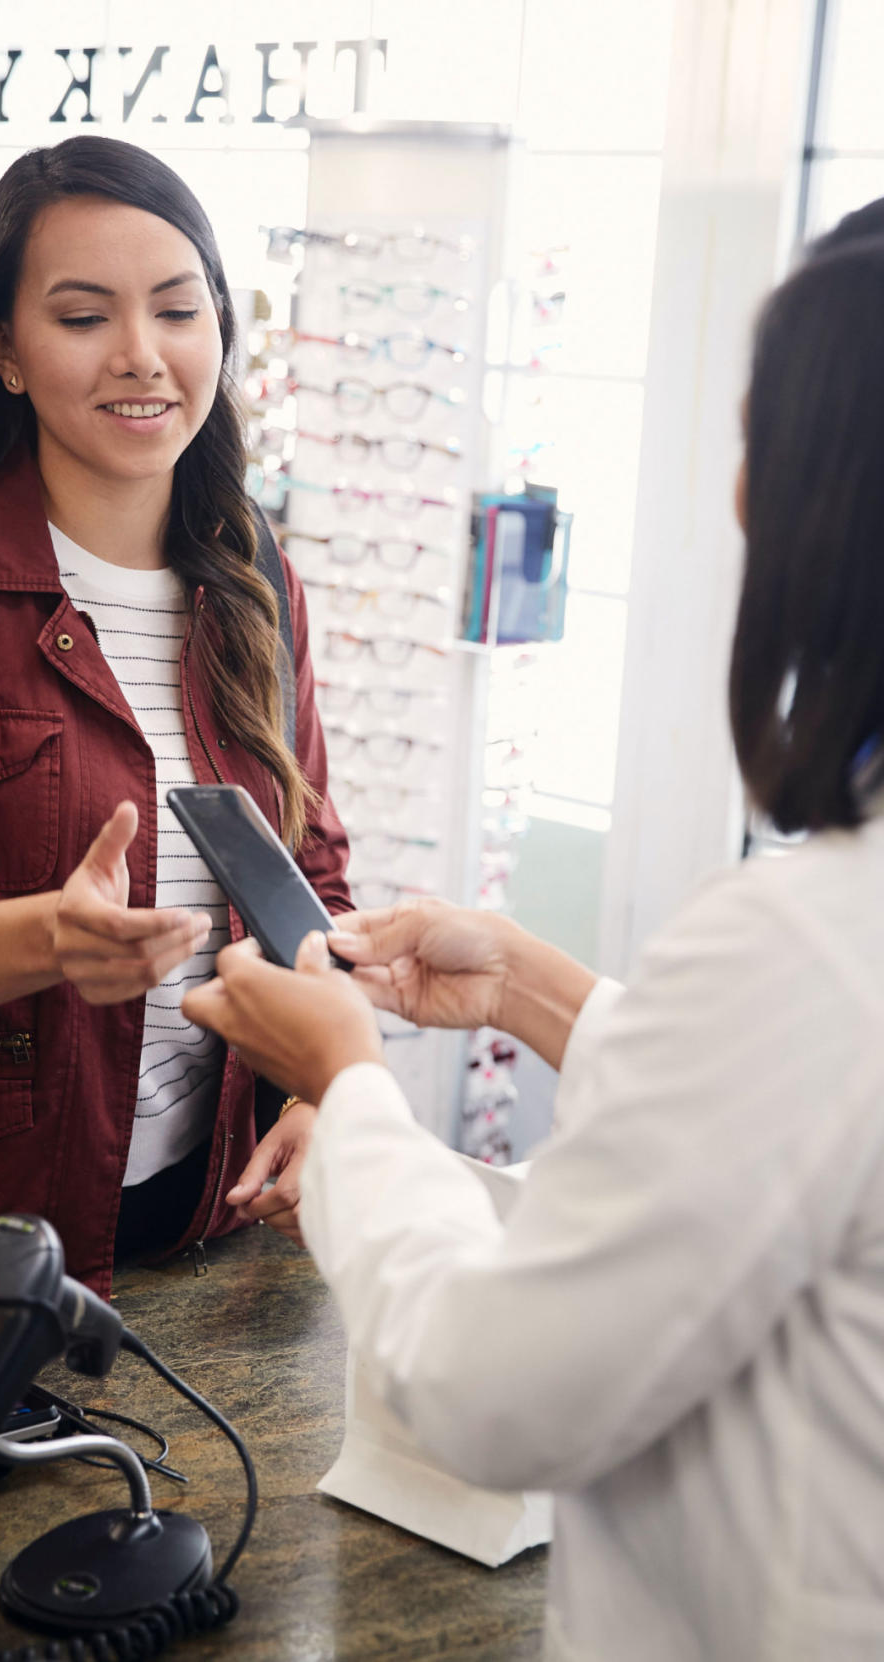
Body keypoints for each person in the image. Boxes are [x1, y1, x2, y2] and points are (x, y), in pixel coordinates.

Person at [184, 238, 884, 1661]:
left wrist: (355, 1081)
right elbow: (807, 1117)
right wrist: (522, 984)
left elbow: (486, 1387)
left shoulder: (807, 942)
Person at [0, 135, 348, 1320]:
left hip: (202, 1230)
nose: (143, 358)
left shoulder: (254, 579)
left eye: (177, 308)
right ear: (2, 346)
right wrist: (46, 938)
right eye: (83, 316)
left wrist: (322, 1088)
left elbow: (312, 877)